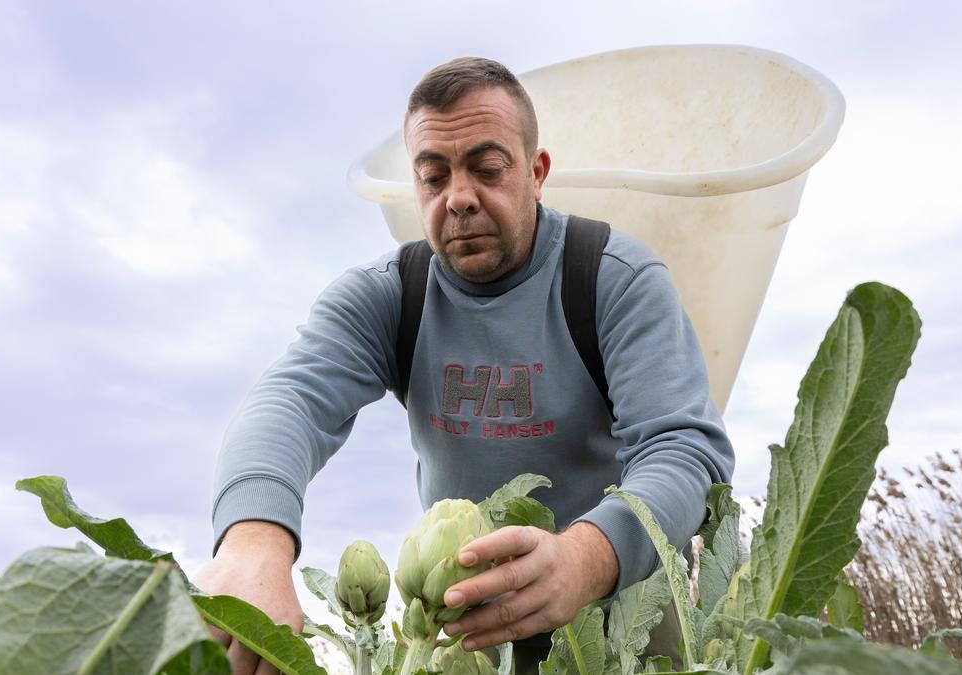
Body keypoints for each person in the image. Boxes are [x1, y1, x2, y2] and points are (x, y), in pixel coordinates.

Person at [193, 57, 735, 674]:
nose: (459, 199)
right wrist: (253, 539)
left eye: (487, 168)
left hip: (620, 613)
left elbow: (684, 449)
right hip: (463, 632)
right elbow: (291, 398)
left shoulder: (615, 280)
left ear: (536, 173)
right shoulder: (389, 296)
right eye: (433, 177)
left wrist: (584, 560)